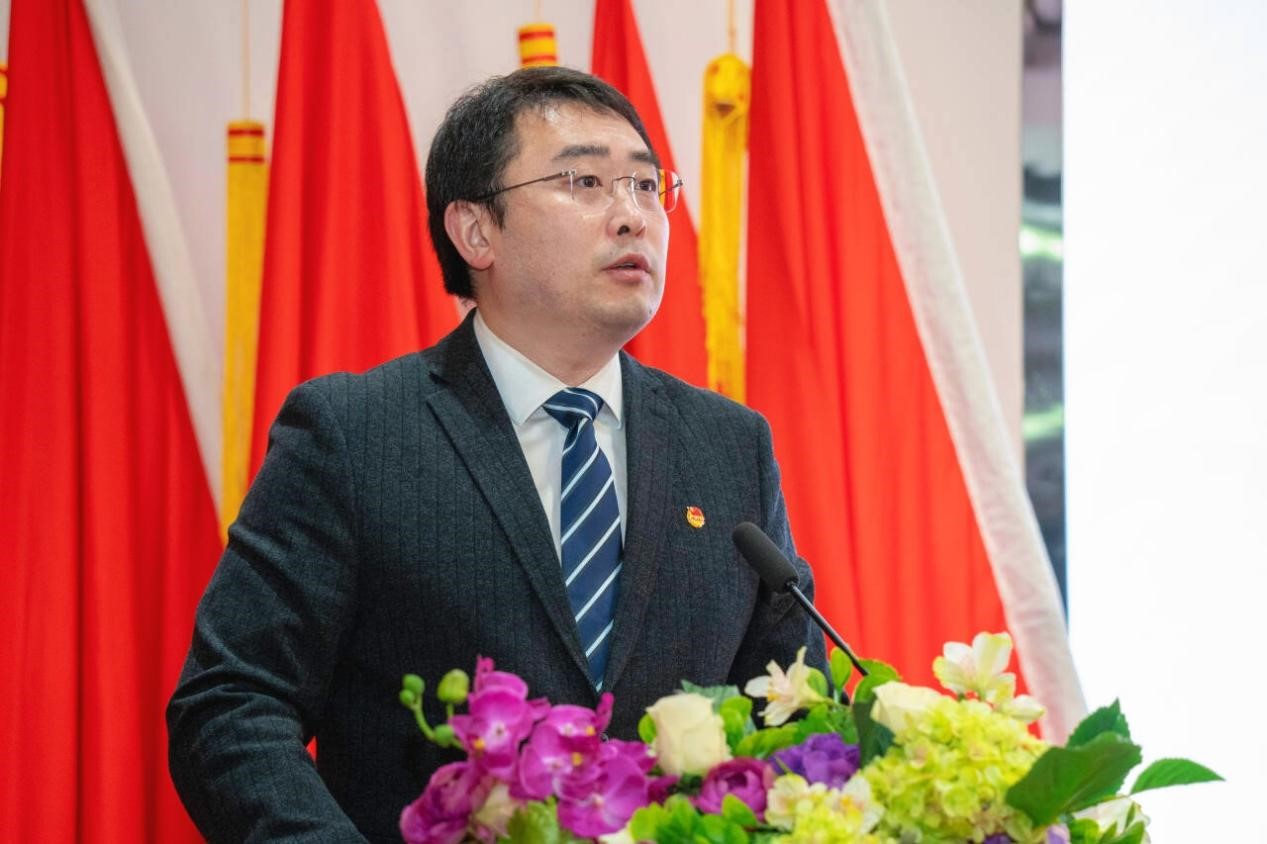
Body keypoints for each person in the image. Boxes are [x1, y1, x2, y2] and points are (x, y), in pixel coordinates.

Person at [167, 66, 824, 843]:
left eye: (647, 186)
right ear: (476, 231)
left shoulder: (729, 445)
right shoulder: (354, 434)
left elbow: (791, 714)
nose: (631, 216)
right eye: (585, 181)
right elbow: (232, 705)